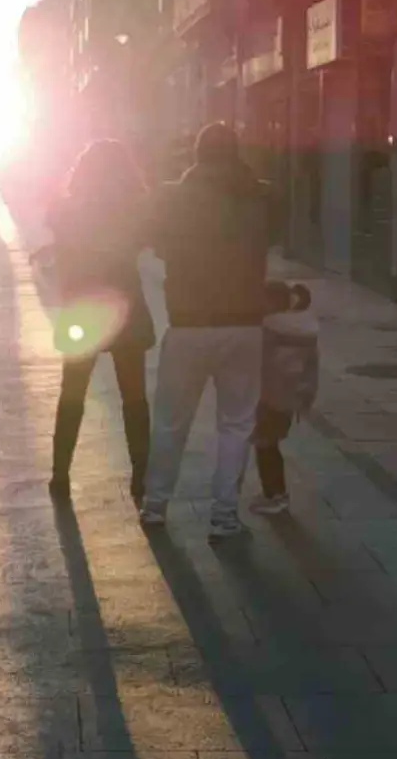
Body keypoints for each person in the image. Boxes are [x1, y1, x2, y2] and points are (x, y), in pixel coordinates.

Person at [140, 122, 270, 542]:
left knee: (169, 422)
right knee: (236, 423)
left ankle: (155, 506)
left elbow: (156, 244)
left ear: (196, 154)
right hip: (244, 325)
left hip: (189, 324)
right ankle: (224, 515)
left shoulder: (171, 197)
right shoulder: (259, 196)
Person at [45, 140, 155, 501]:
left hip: (83, 311)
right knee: (134, 397)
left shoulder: (67, 209)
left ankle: (59, 475)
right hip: (125, 308)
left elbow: (61, 247)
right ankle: (141, 475)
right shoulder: (135, 210)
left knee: (72, 393)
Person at [248, 281, 319, 516]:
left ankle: (275, 495)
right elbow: (311, 366)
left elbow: (258, 363)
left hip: (269, 396)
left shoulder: (269, 328)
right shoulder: (303, 327)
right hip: (290, 397)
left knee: (265, 446)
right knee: (270, 444)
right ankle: (276, 493)